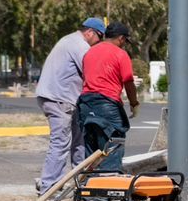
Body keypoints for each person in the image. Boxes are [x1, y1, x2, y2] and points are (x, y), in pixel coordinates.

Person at [33, 16, 104, 192]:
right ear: (89, 32)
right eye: (99, 37)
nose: (99, 41)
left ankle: (80, 181)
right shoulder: (79, 46)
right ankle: (49, 186)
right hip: (59, 99)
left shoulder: (69, 40)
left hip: (60, 98)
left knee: (79, 141)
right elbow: (91, 71)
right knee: (60, 143)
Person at [76, 22, 140, 171]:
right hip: (107, 105)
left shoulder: (89, 53)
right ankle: (108, 188)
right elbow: (128, 82)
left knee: (91, 150)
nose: (124, 45)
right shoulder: (120, 54)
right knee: (113, 147)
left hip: (85, 105)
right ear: (121, 38)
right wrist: (134, 103)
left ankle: (91, 189)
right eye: (125, 41)